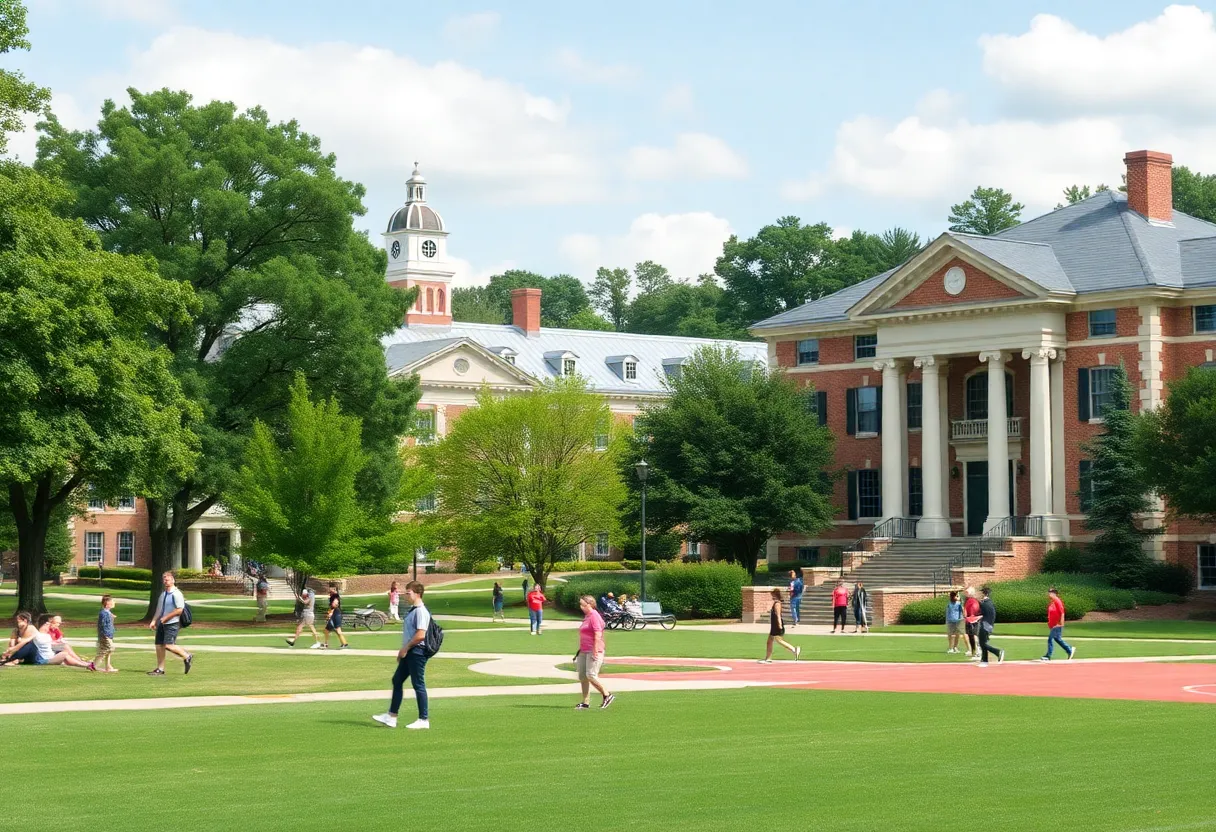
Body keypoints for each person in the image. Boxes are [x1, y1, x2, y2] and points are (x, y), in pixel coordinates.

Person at [373, 581, 432, 729]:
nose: (406, 595)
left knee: (418, 684)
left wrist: (405, 648)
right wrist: (404, 650)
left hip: (417, 652)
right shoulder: (414, 610)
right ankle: (392, 716)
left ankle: (423, 719)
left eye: (409, 592)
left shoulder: (421, 611)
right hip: (410, 651)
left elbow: (421, 635)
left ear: (417, 593)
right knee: (397, 680)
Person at [147, 571, 193, 675]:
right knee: (159, 645)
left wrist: (166, 618)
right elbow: (159, 609)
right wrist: (154, 620)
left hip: (172, 623)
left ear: (173, 580)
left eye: (167, 579)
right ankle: (160, 669)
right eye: (164, 579)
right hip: (162, 624)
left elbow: (179, 610)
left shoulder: (177, 594)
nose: (165, 581)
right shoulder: (163, 594)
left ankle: (187, 656)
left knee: (168, 645)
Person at [574, 595, 614, 710]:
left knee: (591, 675)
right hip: (583, 650)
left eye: (583, 605)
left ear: (590, 605)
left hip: (594, 649)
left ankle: (607, 695)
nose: (581, 607)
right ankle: (585, 702)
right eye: (580, 604)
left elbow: (598, 634)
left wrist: (595, 650)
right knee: (582, 676)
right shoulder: (587, 616)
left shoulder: (594, 616)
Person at [761, 589, 800, 663]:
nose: (771, 596)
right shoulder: (776, 603)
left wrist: (779, 625)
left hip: (776, 625)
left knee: (779, 640)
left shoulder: (777, 604)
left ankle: (794, 650)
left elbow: (778, 615)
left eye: (772, 594)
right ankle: (768, 658)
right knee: (769, 641)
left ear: (775, 595)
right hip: (774, 625)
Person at [1041, 587, 1076, 662]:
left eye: (1051, 592)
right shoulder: (1052, 602)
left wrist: (1061, 624)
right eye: (1049, 592)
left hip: (1057, 625)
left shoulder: (1057, 601)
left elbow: (1062, 613)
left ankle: (1048, 656)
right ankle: (1069, 649)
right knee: (1058, 639)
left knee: (1050, 639)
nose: (1049, 594)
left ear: (1055, 593)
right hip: (1053, 625)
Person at [976, 586, 1005, 667]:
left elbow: (980, 614)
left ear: (983, 593)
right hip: (988, 626)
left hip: (984, 625)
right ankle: (984, 660)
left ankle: (998, 652)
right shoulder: (989, 603)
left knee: (982, 644)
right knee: (983, 643)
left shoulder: (985, 604)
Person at [94, 594, 117, 672]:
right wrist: (105, 635)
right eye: (112, 601)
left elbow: (109, 624)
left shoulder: (108, 613)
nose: (114, 602)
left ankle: (108, 666)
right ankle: (93, 665)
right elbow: (103, 626)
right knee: (109, 648)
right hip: (105, 635)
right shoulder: (104, 613)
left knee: (108, 650)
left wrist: (112, 618)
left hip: (108, 634)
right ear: (108, 603)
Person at [323, 583, 349, 649]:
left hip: (337, 614)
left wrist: (331, 612)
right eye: (330, 588)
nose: (330, 589)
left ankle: (345, 644)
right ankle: (326, 644)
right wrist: (329, 612)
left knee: (338, 630)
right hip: (333, 614)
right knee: (326, 630)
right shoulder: (332, 596)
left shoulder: (336, 596)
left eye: (332, 588)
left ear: (334, 589)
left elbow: (335, 604)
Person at [963, 587, 981, 659]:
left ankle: (977, 652)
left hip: (972, 620)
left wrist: (966, 616)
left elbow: (967, 611)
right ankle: (975, 652)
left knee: (973, 635)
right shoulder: (972, 600)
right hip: (972, 620)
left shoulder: (971, 601)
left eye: (967, 592)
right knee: (972, 636)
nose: (965, 593)